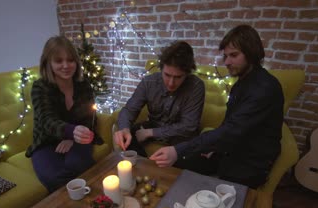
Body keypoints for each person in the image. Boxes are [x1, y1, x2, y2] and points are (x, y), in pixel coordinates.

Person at [150, 25, 284, 189]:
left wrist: (178, 150)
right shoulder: (241, 83)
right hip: (230, 151)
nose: (226, 62)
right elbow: (230, 125)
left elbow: (232, 131)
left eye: (233, 55)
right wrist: (215, 147)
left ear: (251, 53)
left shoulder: (265, 88)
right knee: (181, 164)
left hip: (250, 162)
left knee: (213, 198)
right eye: (226, 56)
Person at [25, 36, 102, 192]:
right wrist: (70, 131)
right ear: (48, 63)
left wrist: (73, 138)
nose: (66, 66)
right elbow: (46, 121)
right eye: (59, 61)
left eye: (70, 60)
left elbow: (89, 116)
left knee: (80, 166)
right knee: (53, 177)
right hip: (47, 141)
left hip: (79, 137)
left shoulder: (83, 84)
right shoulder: (40, 87)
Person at [113, 41, 205, 157]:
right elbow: (129, 110)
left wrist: (150, 133)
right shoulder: (149, 82)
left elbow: (188, 126)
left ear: (187, 74)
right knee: (127, 138)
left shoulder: (196, 86)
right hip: (155, 125)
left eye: (178, 77)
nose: (171, 83)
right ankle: (144, 167)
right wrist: (124, 129)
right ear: (161, 69)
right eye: (167, 75)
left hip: (180, 137)